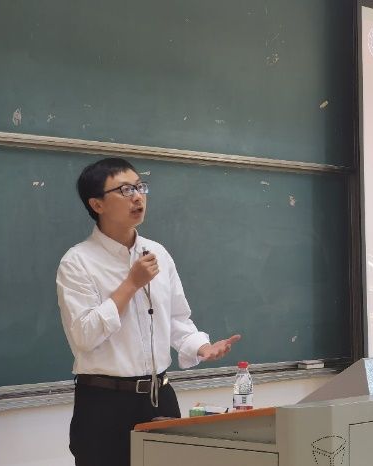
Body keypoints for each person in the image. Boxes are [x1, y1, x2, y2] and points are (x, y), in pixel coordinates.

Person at [56, 157, 241, 466]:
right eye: (125, 190)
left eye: (140, 187)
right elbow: (84, 335)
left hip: (159, 397)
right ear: (97, 204)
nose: (138, 197)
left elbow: (176, 318)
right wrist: (131, 284)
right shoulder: (77, 262)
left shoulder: (158, 253)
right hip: (104, 403)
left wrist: (201, 346)